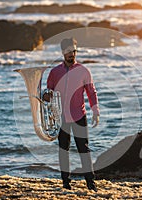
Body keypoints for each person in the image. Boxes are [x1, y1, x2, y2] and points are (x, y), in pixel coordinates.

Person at [46, 37, 100, 191]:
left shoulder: (84, 71)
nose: (72, 54)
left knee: (84, 149)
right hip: (61, 117)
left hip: (79, 116)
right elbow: (48, 91)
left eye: (74, 51)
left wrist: (95, 111)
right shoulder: (54, 72)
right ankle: (65, 183)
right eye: (69, 52)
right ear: (63, 53)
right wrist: (46, 96)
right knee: (63, 150)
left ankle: (90, 183)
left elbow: (91, 92)